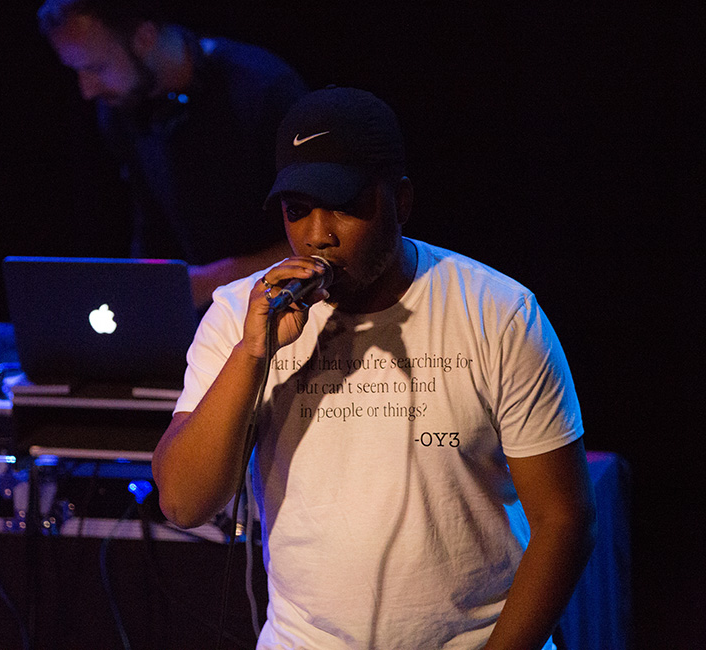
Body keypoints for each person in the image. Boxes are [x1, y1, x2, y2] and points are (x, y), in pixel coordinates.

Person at [152, 86, 597, 649]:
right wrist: (252, 355)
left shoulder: (498, 313)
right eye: (297, 210)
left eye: (343, 205)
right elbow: (183, 503)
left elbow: (565, 521)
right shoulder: (241, 316)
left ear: (402, 202)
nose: (317, 234)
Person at [38, 0, 307, 308]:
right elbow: (151, 230)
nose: (87, 90)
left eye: (96, 68)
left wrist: (216, 279)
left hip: (289, 308)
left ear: (145, 37)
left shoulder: (265, 90)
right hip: (203, 321)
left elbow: (325, 235)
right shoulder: (121, 109)